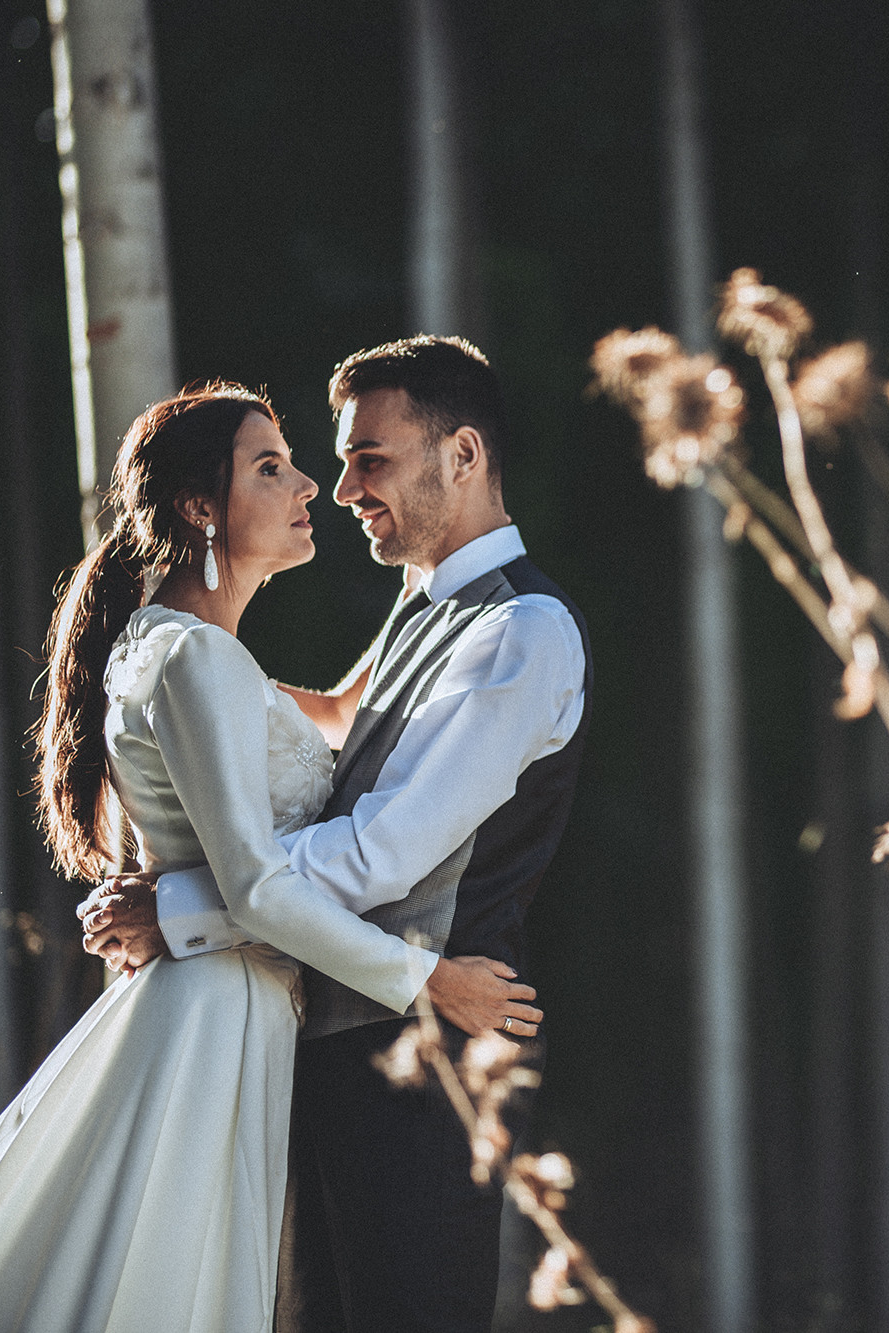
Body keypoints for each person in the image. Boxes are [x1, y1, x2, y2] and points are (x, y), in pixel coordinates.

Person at [0, 383, 536, 1330]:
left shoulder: (180, 647)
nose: (310, 482)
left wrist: (424, 575)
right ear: (199, 507)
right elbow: (260, 888)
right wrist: (431, 979)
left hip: (224, 1004)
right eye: (270, 467)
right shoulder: (199, 659)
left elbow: (346, 712)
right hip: (216, 1012)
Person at [82, 336, 591, 1333]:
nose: (344, 485)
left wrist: (185, 900)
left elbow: (375, 856)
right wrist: (180, 665)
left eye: (373, 458)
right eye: (341, 457)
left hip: (432, 1055)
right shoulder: (425, 603)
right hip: (328, 1037)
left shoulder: (519, 631)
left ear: (463, 455)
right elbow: (333, 719)